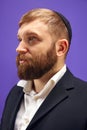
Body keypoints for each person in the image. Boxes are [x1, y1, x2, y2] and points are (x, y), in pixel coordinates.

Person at [0, 8, 87, 130]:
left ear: (61, 48)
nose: (19, 48)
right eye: (20, 39)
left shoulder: (84, 99)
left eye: (31, 39)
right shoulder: (15, 93)